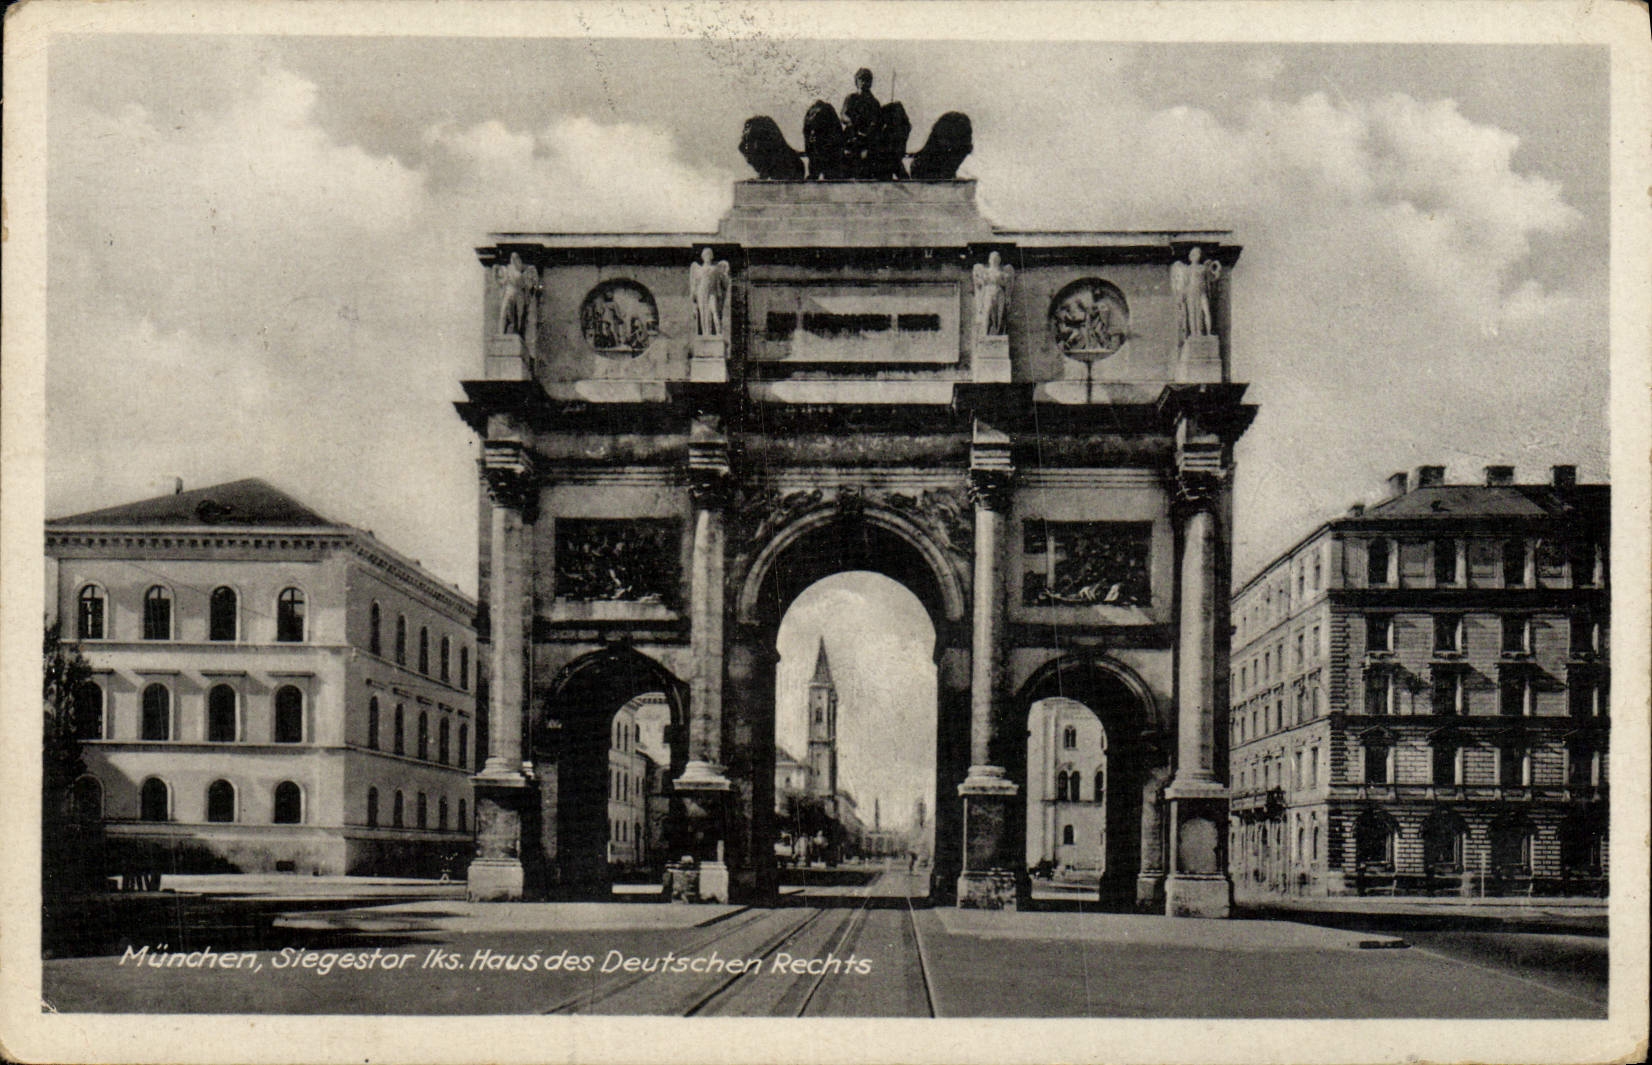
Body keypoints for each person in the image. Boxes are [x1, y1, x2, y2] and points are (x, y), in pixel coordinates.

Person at [841, 68, 881, 177]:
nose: (864, 82)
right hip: (850, 136)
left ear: (871, 82)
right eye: (861, 79)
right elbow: (843, 115)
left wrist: (869, 131)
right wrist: (851, 123)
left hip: (867, 138)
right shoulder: (851, 98)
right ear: (856, 81)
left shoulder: (874, 102)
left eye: (867, 80)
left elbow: (876, 120)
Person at [688, 248, 731, 336]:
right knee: (704, 313)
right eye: (705, 255)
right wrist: (693, 298)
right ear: (703, 257)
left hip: (712, 293)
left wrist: (725, 274)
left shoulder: (714, 269)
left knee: (714, 311)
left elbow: (720, 282)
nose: (707, 257)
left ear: (711, 256)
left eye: (709, 254)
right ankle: (706, 333)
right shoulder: (698, 270)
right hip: (701, 293)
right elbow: (695, 284)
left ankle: (718, 332)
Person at [972, 251, 1014, 336]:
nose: (994, 260)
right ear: (989, 260)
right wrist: (983, 279)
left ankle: (998, 333)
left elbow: (1006, 284)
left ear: (999, 260)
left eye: (996, 258)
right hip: (988, 292)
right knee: (987, 311)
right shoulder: (986, 272)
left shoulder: (1002, 272)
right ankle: (986, 333)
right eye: (993, 258)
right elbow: (979, 283)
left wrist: (1000, 281)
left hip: (999, 292)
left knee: (1000, 313)